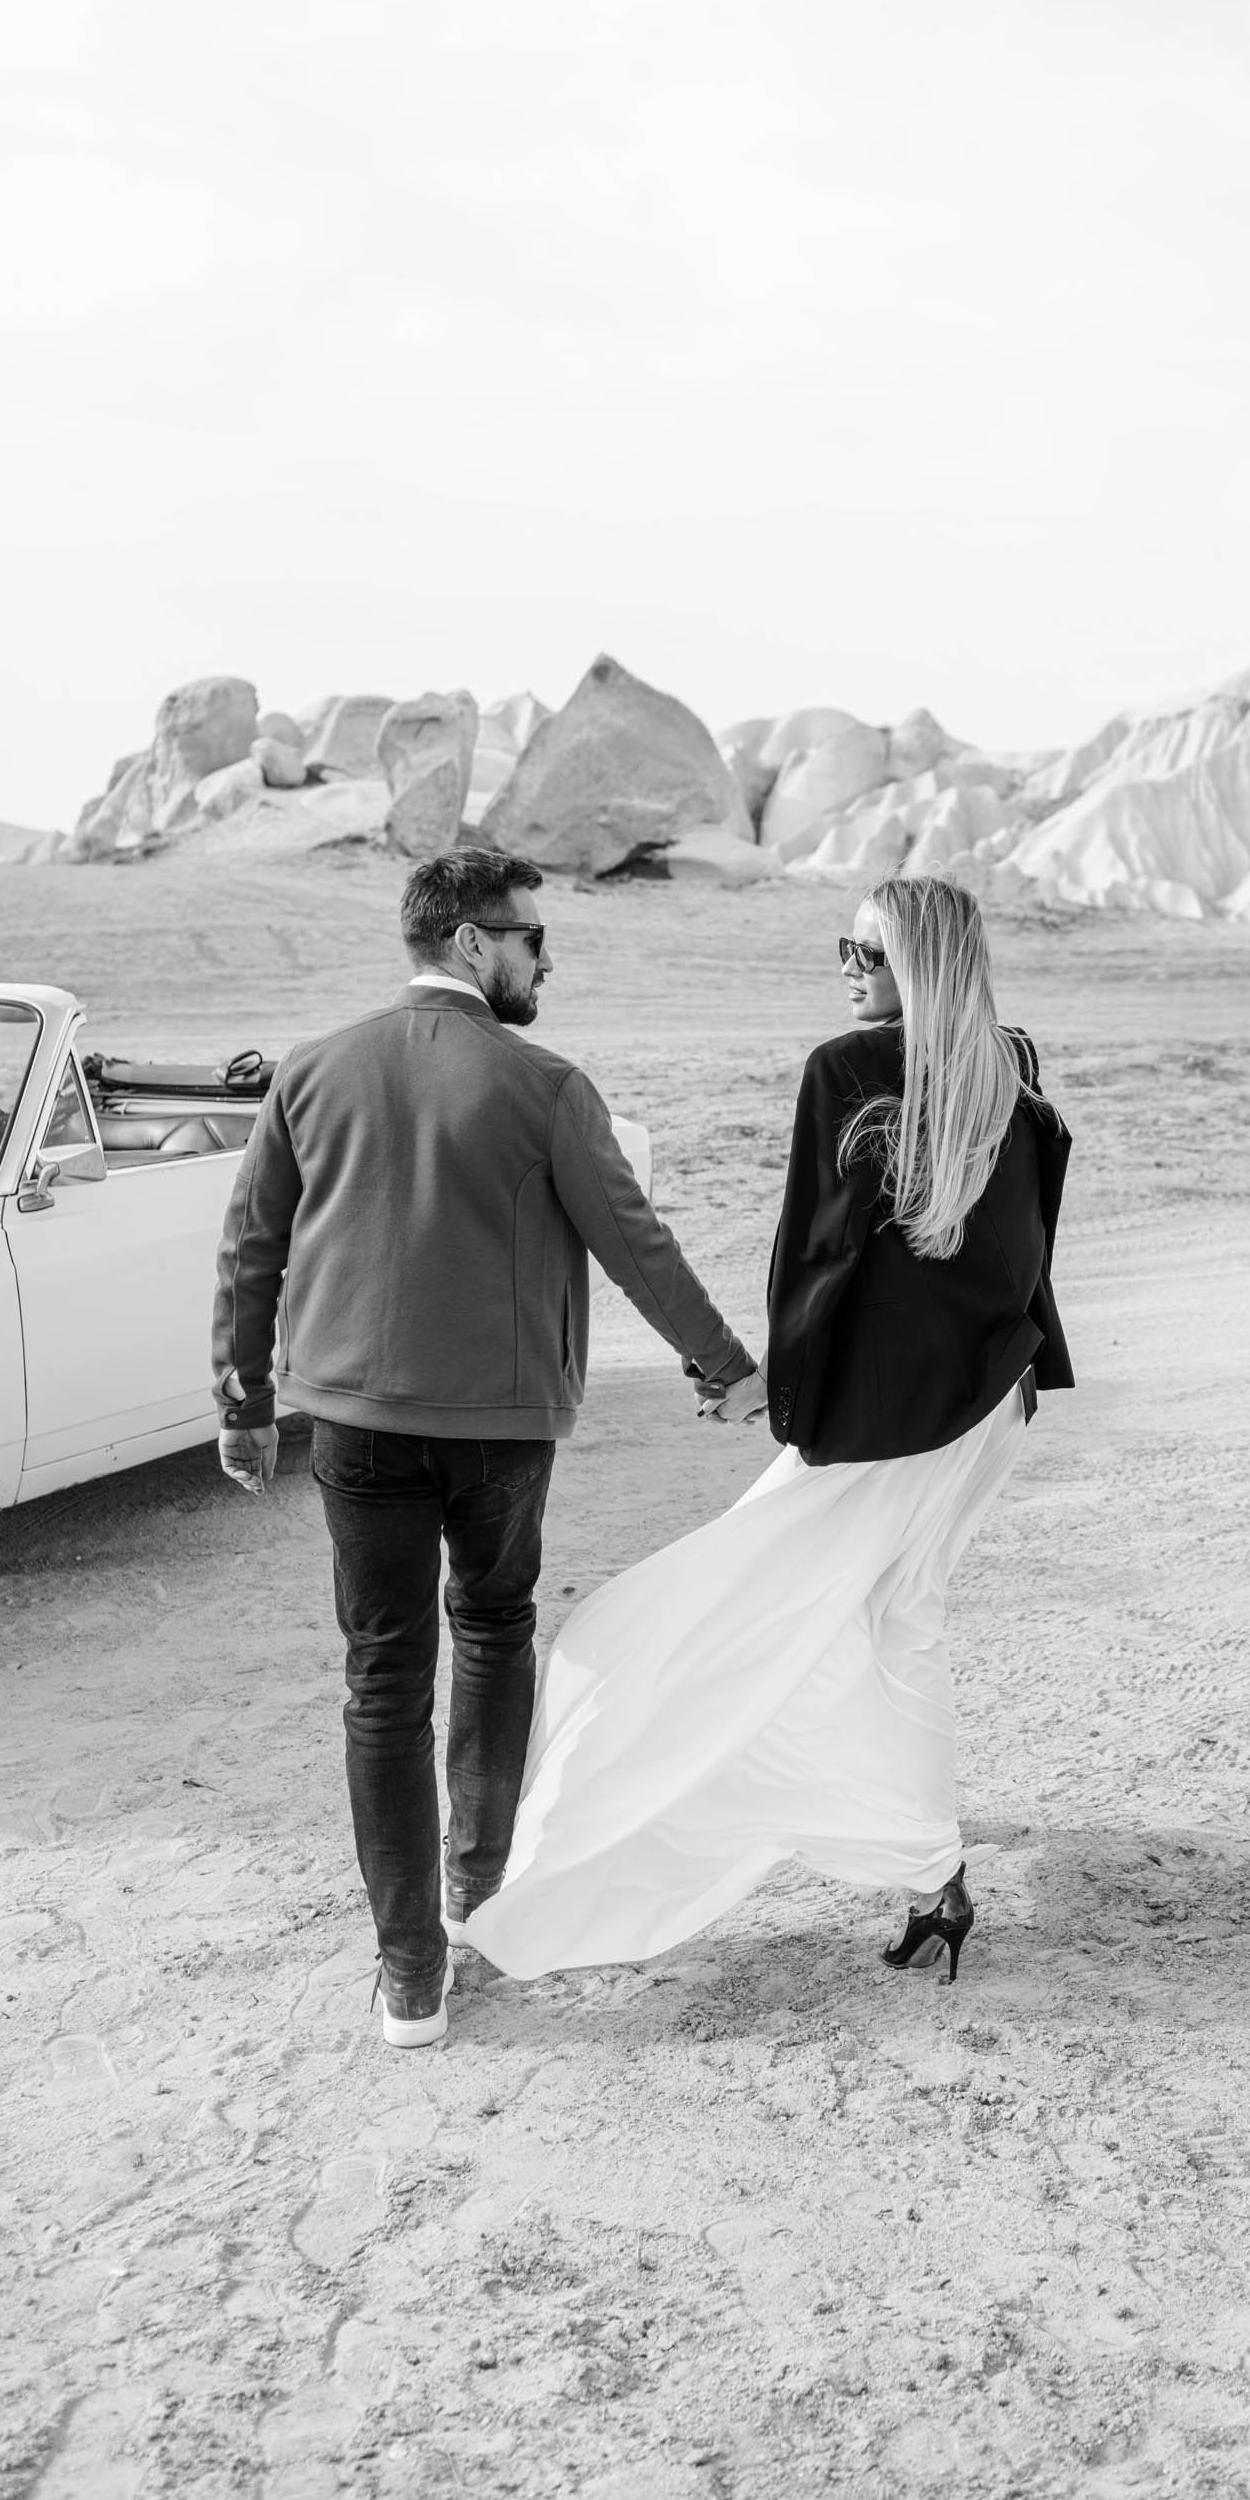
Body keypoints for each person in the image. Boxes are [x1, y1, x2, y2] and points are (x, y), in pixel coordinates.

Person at [466, 874, 1071, 1984]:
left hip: (889, 1423)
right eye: (844, 948)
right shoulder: (1006, 1064)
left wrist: (773, 1394)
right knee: (903, 1621)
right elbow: (1022, 1252)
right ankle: (933, 1875)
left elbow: (818, 1261)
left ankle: (900, 1862)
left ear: (922, 966)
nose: (848, 969)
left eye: (869, 954)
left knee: (661, 1626)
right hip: (987, 1400)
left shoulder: (847, 1070)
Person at [212, 851, 763, 2051]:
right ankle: (476, 1892)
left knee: (382, 1676)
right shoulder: (547, 1086)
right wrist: (725, 1367)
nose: (545, 961)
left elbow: (252, 1245)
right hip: (501, 1431)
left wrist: (243, 1400)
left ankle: (410, 1975)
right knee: (495, 1630)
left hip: (356, 1423)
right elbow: (635, 1244)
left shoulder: (312, 1068)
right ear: (471, 942)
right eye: (532, 939)